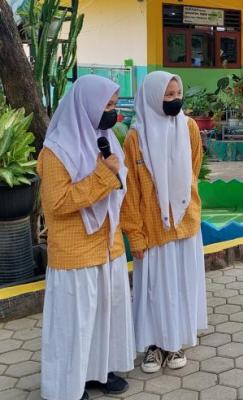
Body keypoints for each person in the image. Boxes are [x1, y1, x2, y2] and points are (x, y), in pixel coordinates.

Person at [38, 75, 135, 400]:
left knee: (105, 315)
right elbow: (57, 202)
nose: (112, 112)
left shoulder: (106, 138)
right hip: (75, 250)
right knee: (74, 324)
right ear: (87, 106)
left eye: (114, 105)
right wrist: (102, 177)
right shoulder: (56, 151)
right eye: (107, 105)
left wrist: (110, 177)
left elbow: (120, 183)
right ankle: (67, 385)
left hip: (108, 246)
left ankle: (98, 372)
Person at [121, 71, 207, 374]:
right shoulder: (136, 137)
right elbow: (129, 190)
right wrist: (135, 234)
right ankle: (154, 346)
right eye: (167, 96)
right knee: (154, 287)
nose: (174, 101)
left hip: (184, 223)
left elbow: (193, 169)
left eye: (177, 94)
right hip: (152, 227)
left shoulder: (189, 127)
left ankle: (176, 343)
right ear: (152, 98)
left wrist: (181, 204)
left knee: (181, 284)